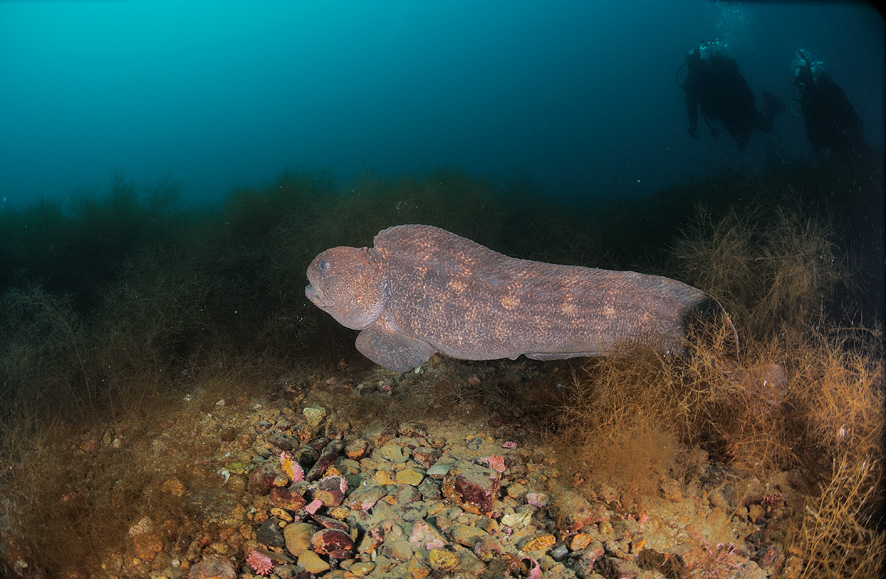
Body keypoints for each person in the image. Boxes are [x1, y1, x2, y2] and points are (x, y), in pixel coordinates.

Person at [681, 41, 785, 150]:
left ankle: (770, 103)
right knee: (742, 142)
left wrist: (748, 98)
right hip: (724, 115)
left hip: (740, 106)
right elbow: (691, 104)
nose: (696, 68)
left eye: (696, 63)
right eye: (693, 65)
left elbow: (736, 80)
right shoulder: (691, 83)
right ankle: (748, 126)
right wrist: (693, 124)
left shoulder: (715, 69)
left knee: (767, 127)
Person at [791, 49, 870, 163]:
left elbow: (846, 119)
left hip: (849, 139)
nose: (799, 89)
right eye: (797, 86)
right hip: (835, 140)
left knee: (861, 160)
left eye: (801, 85)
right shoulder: (808, 99)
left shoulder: (828, 91)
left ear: (808, 82)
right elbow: (811, 130)